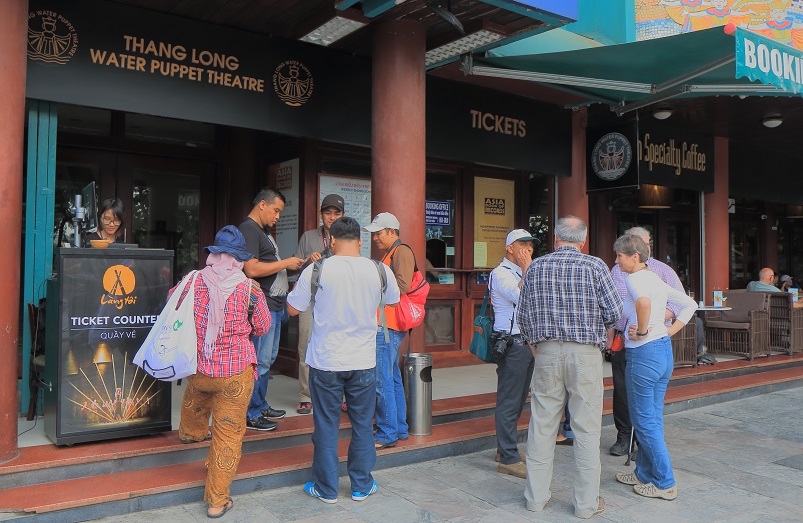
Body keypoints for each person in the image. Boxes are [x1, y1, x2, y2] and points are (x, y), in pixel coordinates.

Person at [287, 217, 400, 504]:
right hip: (363, 360)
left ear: (331, 241)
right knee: (363, 424)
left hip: (326, 360)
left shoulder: (317, 269)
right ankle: (361, 485)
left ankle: (326, 490)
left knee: (326, 425)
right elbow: (394, 300)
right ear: (360, 241)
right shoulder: (378, 269)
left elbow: (292, 308)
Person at [518, 216, 622, 519]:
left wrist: (538, 348)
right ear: (583, 240)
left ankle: (535, 499)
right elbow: (614, 311)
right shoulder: (596, 266)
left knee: (541, 426)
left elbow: (523, 315)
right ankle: (586, 505)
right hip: (585, 354)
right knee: (587, 429)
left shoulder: (536, 266)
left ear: (555, 237)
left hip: (547, 350)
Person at [177, 225, 271, 519]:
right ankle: (217, 501)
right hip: (235, 374)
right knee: (228, 436)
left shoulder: (192, 282)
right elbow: (263, 327)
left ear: (214, 254)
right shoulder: (250, 290)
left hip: (201, 368)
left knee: (195, 394)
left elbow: (173, 309)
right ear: (239, 259)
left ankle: (191, 432)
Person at [612, 234, 697, 502]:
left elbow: (643, 304)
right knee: (652, 418)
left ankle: (664, 482)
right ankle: (644, 473)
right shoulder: (655, 279)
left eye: (620, 256)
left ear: (634, 257)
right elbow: (690, 304)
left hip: (644, 354)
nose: (617, 261)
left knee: (644, 420)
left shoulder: (635, 279)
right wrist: (667, 331)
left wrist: (644, 330)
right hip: (662, 352)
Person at [607, 226, 685, 457]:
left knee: (648, 400)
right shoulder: (617, 269)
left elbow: (681, 303)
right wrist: (609, 335)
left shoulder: (663, 271)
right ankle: (624, 436)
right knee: (621, 390)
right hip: (623, 338)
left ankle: (647, 447)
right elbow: (613, 304)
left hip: (651, 340)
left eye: (647, 242)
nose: (646, 247)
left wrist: (654, 321)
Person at [240, 188, 305, 431]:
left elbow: (269, 267)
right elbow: (252, 269)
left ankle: (260, 403)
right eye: (276, 210)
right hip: (262, 305)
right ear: (262, 205)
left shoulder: (264, 232)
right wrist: (286, 262)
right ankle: (252, 413)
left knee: (268, 359)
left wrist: (293, 266)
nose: (278, 216)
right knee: (259, 361)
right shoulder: (248, 229)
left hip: (275, 305)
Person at [489, 229, 537, 479]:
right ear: (509, 247)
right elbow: (523, 297)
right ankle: (507, 457)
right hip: (511, 342)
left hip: (527, 341)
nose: (528, 249)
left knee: (519, 398)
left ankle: (504, 448)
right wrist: (528, 267)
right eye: (523, 244)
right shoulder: (500, 273)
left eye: (531, 245)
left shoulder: (522, 271)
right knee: (509, 399)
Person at [363, 212, 412, 449]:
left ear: (392, 231)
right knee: (391, 379)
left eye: (378, 233)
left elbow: (402, 286)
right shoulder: (393, 252)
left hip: (388, 325)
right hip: (388, 325)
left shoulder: (401, 251)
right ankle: (398, 428)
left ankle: (386, 433)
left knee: (382, 382)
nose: (375, 238)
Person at [293, 194, 345, 415]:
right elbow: (295, 267)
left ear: (343, 215)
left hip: (336, 298)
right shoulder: (308, 236)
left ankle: (339, 393)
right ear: (321, 214)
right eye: (328, 212)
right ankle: (306, 395)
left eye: (337, 213)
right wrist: (307, 261)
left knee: (337, 344)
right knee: (305, 342)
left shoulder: (347, 236)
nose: (332, 217)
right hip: (310, 297)